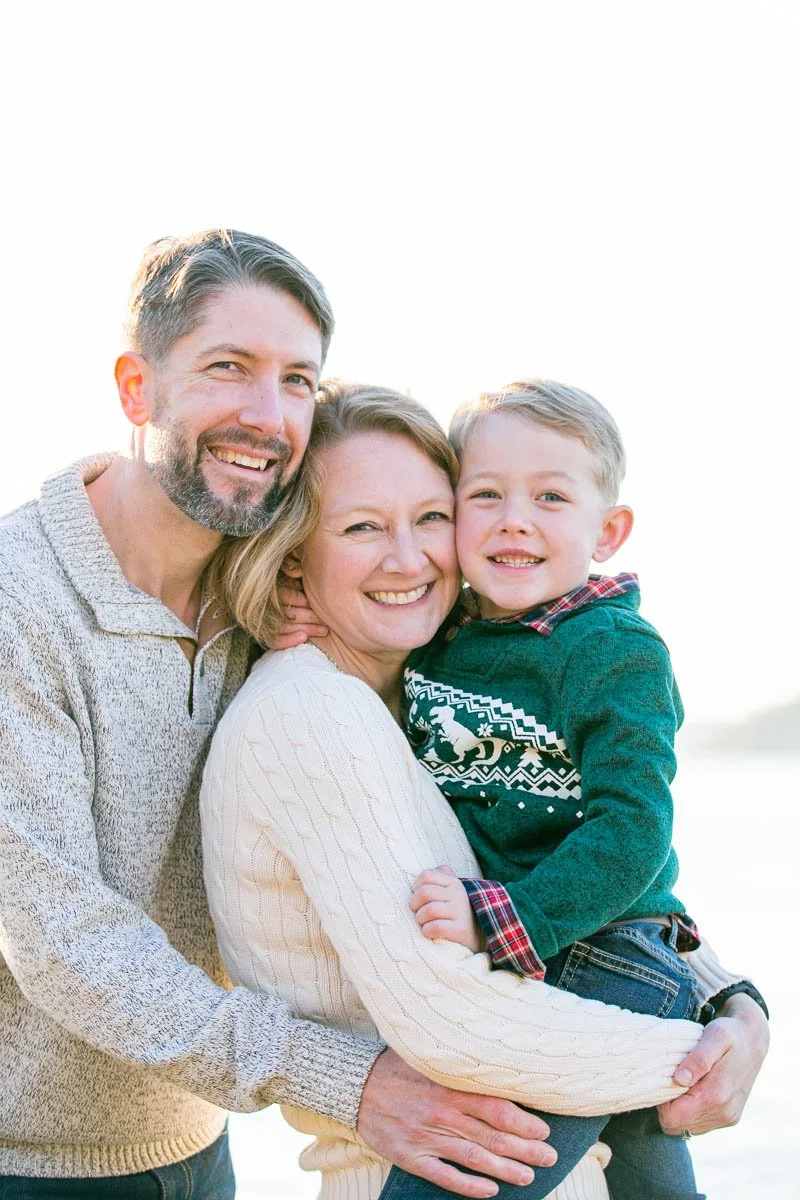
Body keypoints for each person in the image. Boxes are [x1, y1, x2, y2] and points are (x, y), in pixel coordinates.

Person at [0, 231, 561, 1198]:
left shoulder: (275, 585)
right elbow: (63, 938)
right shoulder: (22, 605)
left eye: (299, 379)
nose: (268, 415)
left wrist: (706, 986)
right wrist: (345, 1081)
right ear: (137, 388)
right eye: (229, 368)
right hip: (27, 1162)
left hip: (197, 1148)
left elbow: (531, 774)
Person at [201, 380, 769, 1200]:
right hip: (419, 1153)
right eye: (362, 527)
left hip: (607, 984)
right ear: (296, 558)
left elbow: (627, 838)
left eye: (429, 517)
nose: (410, 558)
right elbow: (455, 1021)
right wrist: (697, 1055)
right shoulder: (315, 707)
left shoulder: (465, 666)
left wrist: (730, 1004)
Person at [401, 379, 769, 1200]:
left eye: (551, 497)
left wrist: (503, 918)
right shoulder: (446, 636)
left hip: (613, 955)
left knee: (470, 1174)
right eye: (484, 494)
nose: (514, 518)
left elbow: (635, 833)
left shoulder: (611, 648)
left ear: (608, 531)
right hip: (558, 955)